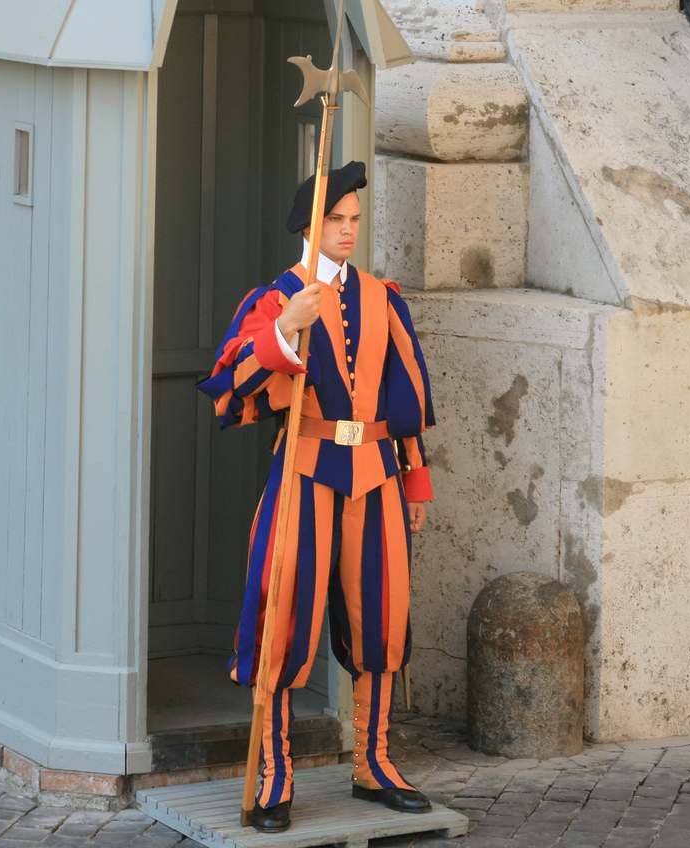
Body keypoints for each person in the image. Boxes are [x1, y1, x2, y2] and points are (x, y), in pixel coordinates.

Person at [196, 160, 436, 833]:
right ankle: (275, 775)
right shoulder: (278, 298)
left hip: (376, 473)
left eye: (356, 220)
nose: (349, 231)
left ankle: (375, 763)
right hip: (304, 470)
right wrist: (283, 332)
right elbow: (230, 384)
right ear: (309, 225)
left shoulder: (384, 298)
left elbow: (403, 400)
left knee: (384, 619)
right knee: (283, 618)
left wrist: (415, 477)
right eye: (337, 220)